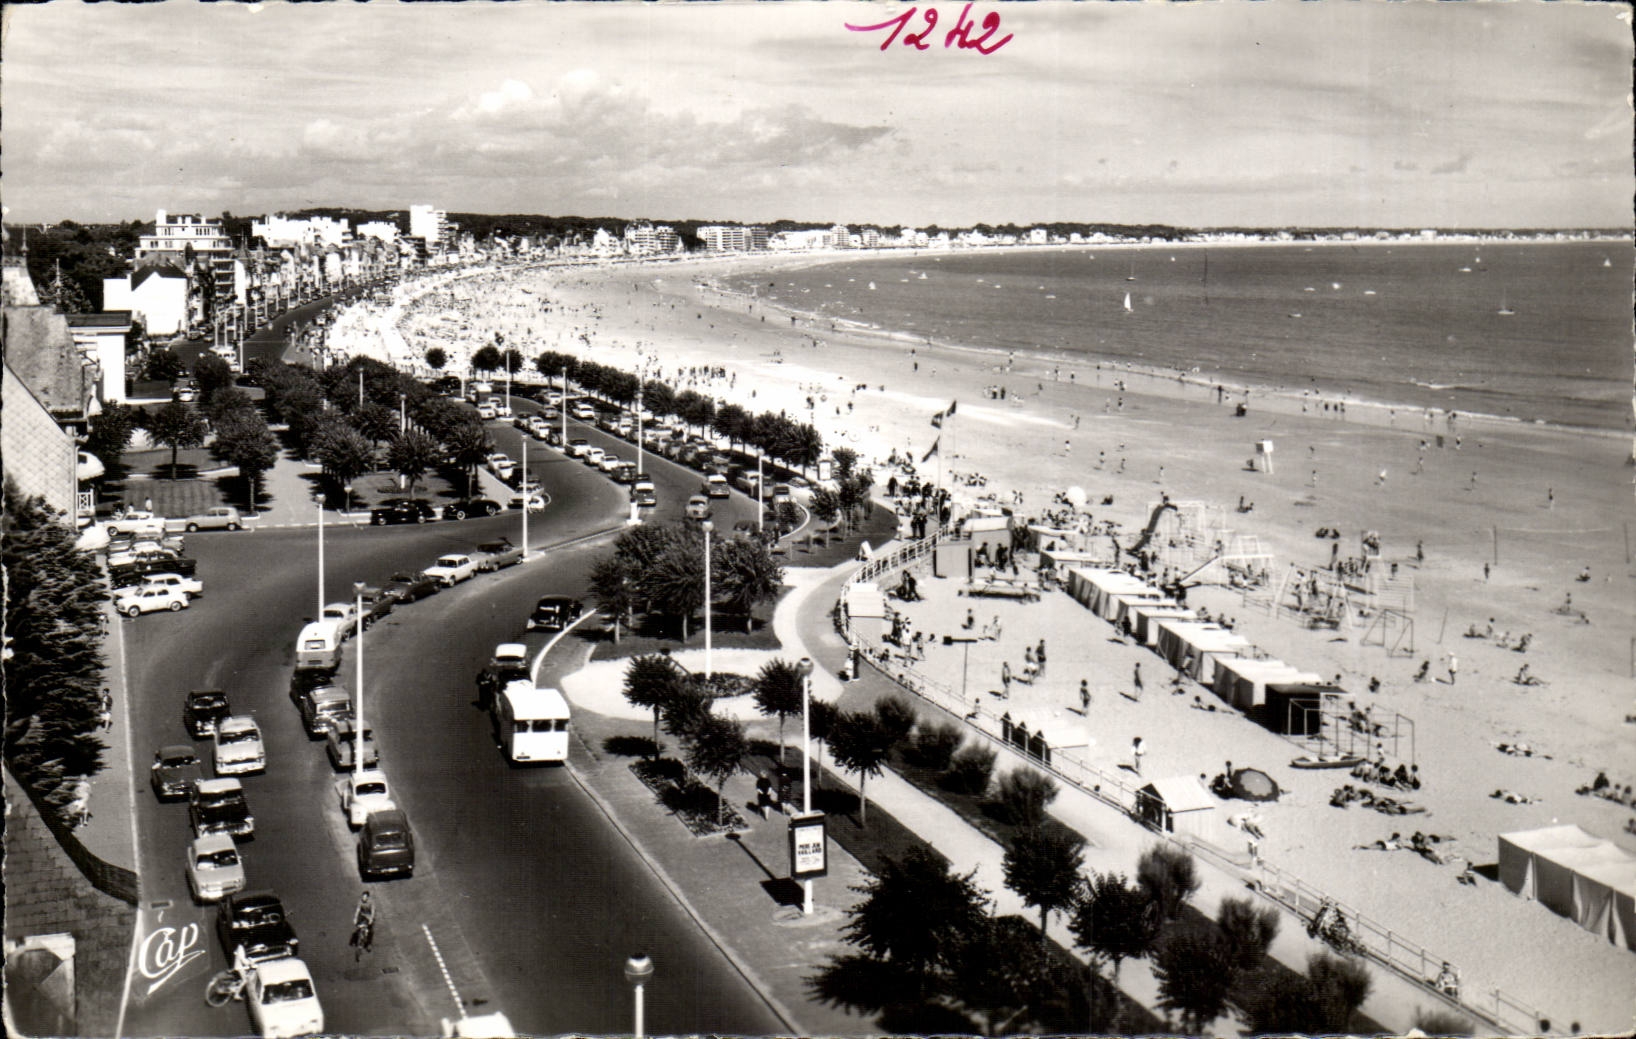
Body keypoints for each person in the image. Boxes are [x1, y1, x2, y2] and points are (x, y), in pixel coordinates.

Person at [351, 892, 376, 960]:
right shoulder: (360, 902)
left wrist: (371, 919)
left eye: (365, 897)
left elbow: (373, 911)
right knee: (359, 928)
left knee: (370, 931)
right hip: (362, 916)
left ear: (367, 897)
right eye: (363, 897)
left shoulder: (371, 902)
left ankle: (369, 944)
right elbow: (358, 910)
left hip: (369, 917)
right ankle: (360, 938)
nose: (363, 898)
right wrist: (355, 918)